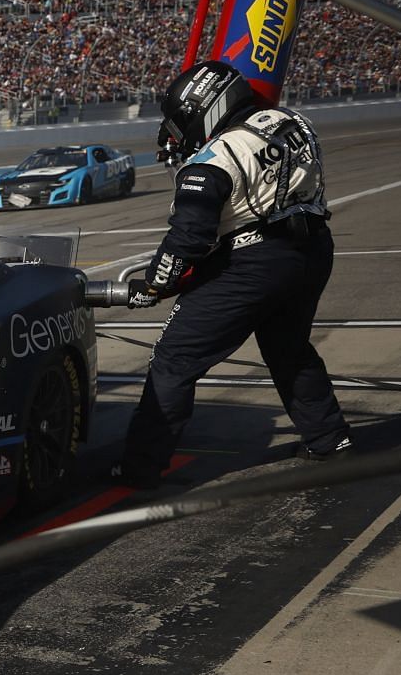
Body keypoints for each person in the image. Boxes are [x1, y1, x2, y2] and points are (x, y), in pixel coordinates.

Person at [111, 61, 352, 489]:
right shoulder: (291, 119)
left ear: (203, 107)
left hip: (253, 262)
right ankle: (329, 439)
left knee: (174, 359)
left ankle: (139, 468)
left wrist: (155, 284)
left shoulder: (214, 160)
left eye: (183, 122)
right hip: (313, 248)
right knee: (289, 349)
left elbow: (188, 239)